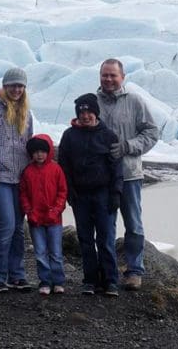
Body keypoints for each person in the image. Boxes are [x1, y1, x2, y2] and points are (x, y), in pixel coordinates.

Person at [97, 58, 159, 291]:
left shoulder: (134, 102)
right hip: (101, 177)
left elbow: (152, 132)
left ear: (122, 77)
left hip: (129, 174)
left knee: (133, 224)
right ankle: (110, 272)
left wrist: (128, 146)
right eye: (105, 75)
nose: (109, 79)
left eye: (113, 75)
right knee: (106, 225)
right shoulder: (92, 103)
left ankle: (134, 270)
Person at [59, 93, 123, 297]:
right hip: (81, 196)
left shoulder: (108, 135)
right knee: (85, 239)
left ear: (96, 112)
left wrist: (116, 194)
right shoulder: (69, 136)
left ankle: (110, 280)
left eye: (89, 111)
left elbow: (116, 168)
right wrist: (70, 191)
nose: (85, 115)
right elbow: (64, 166)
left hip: (103, 194)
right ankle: (90, 280)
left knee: (105, 238)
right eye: (82, 112)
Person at [0, 67, 34, 292]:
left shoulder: (26, 113)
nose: (17, 89)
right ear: (4, 86)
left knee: (19, 227)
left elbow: (29, 142)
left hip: (20, 176)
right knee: (7, 224)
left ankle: (17, 274)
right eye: (12, 85)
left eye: (20, 85)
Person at [19, 134, 68, 295]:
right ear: (31, 154)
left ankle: (58, 281)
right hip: (35, 220)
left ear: (49, 152)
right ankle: (45, 281)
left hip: (54, 220)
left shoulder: (56, 169)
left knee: (55, 252)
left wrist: (56, 210)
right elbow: (23, 194)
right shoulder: (27, 171)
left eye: (42, 151)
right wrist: (29, 211)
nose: (39, 154)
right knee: (40, 252)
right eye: (35, 151)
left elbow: (62, 192)